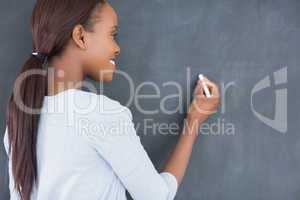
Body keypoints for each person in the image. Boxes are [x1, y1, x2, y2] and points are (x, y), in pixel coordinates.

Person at [3, 0, 220, 199]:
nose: (117, 48)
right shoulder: (100, 113)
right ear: (80, 36)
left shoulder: (19, 120)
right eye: (112, 34)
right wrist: (194, 121)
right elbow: (157, 196)